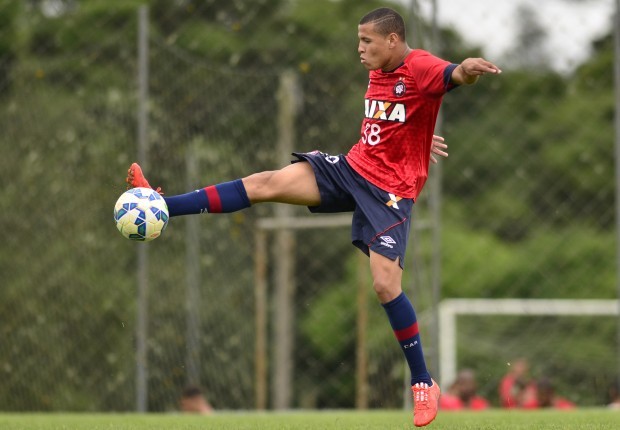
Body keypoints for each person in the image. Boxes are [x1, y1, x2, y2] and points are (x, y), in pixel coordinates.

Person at [126, 7, 500, 427]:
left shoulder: (420, 65)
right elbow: (398, 115)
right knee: (265, 183)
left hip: (389, 193)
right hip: (353, 169)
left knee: (384, 284)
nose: (360, 49)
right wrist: (416, 135)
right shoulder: (380, 69)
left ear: (393, 40)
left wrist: (467, 70)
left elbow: (452, 75)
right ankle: (161, 205)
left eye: (367, 41)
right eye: (359, 40)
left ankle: (423, 382)